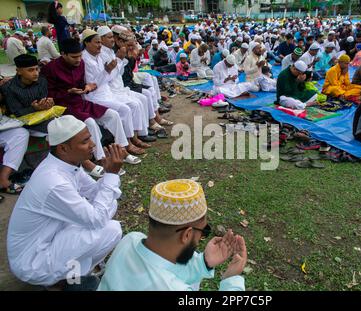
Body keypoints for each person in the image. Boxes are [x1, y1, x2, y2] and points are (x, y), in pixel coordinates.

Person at [7, 115, 124, 288]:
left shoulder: (67, 164)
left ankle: (70, 274)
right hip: (32, 261)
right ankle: (60, 282)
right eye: (85, 141)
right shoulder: (54, 181)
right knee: (110, 228)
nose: (92, 144)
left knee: (108, 206)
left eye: (90, 138)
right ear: (63, 148)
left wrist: (108, 173)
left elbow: (94, 192)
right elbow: (98, 218)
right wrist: (112, 175)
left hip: (50, 238)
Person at [97, 179, 247, 291]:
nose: (201, 238)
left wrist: (203, 263)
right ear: (187, 235)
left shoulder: (130, 239)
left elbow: (161, 268)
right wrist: (231, 280)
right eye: (204, 231)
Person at [40, 38, 137, 164]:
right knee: (90, 122)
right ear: (63, 54)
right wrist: (68, 92)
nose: (78, 60)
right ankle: (100, 158)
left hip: (80, 101)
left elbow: (82, 83)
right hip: (62, 106)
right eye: (74, 57)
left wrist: (85, 88)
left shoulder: (81, 64)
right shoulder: (51, 68)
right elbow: (48, 94)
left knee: (113, 115)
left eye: (80, 56)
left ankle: (122, 149)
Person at [80, 29, 150, 155]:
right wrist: (112, 66)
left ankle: (133, 139)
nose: (99, 45)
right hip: (96, 97)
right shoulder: (85, 59)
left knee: (133, 105)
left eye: (100, 42)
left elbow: (113, 75)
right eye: (97, 42)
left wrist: (116, 64)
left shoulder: (98, 56)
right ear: (86, 43)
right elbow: (94, 85)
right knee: (126, 109)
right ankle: (127, 143)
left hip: (107, 93)